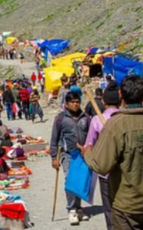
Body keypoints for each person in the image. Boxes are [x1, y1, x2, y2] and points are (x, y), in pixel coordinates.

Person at [83, 74, 143, 230]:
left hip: (127, 205)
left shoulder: (116, 124)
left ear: (121, 95)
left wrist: (87, 153)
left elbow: (101, 166)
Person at [85, 82, 123, 230]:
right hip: (125, 171)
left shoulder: (96, 120)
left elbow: (90, 145)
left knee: (109, 208)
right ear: (120, 102)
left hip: (105, 172)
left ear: (103, 101)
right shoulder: (125, 118)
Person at [51, 90, 92, 225]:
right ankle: (72, 209)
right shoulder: (61, 118)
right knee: (70, 180)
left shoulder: (86, 117)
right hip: (67, 154)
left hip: (83, 155)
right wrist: (53, 157)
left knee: (79, 180)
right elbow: (54, 138)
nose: (75, 104)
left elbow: (91, 136)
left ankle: (79, 208)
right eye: (72, 102)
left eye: (77, 102)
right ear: (66, 104)